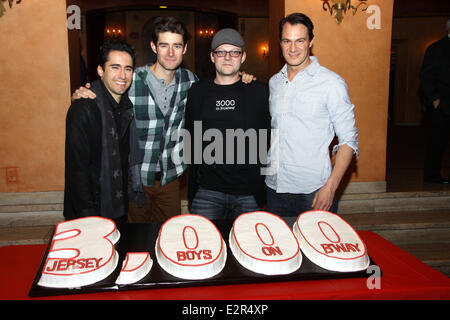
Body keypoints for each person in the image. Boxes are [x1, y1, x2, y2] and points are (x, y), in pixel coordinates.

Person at [72, 17, 255, 223]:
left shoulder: (190, 82)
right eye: (164, 45)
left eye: (176, 46)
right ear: (153, 47)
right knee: (136, 239)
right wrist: (85, 92)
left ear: (184, 49)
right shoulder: (132, 80)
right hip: (136, 179)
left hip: (171, 179)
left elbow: (220, 87)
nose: (170, 53)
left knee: (168, 239)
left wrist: (244, 78)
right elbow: (105, 94)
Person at [265, 13, 358, 216]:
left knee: (315, 249)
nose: (293, 48)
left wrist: (330, 187)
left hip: (314, 191)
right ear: (280, 43)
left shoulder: (331, 83)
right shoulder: (274, 83)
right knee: (281, 248)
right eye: (287, 41)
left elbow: (348, 141)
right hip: (274, 188)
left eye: (300, 41)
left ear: (311, 42)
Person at [185, 28, 270, 221]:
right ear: (212, 57)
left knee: (248, 248)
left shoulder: (260, 92)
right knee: (208, 248)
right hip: (207, 192)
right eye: (221, 52)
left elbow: (273, 137)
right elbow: (190, 138)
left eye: (234, 52)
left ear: (243, 56)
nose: (227, 57)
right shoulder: (197, 92)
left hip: (249, 193)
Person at [64, 39, 144, 226]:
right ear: (101, 70)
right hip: (89, 211)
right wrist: (88, 218)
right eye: (115, 67)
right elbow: (78, 171)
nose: (122, 75)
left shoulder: (125, 107)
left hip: (117, 206)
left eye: (128, 69)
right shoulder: (84, 108)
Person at [420, 19, 450, 184]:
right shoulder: (436, 48)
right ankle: (432, 175)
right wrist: (435, 99)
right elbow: (426, 75)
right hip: (443, 104)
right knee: (437, 141)